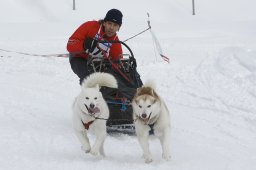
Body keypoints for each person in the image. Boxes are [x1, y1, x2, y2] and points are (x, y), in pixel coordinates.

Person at [67, 9, 123, 84]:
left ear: (118, 28)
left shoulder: (115, 41)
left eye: (115, 25)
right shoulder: (90, 26)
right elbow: (69, 45)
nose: (111, 28)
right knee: (89, 78)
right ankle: (87, 94)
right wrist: (84, 45)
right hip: (79, 58)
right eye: (109, 23)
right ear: (104, 23)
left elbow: (118, 61)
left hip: (97, 64)